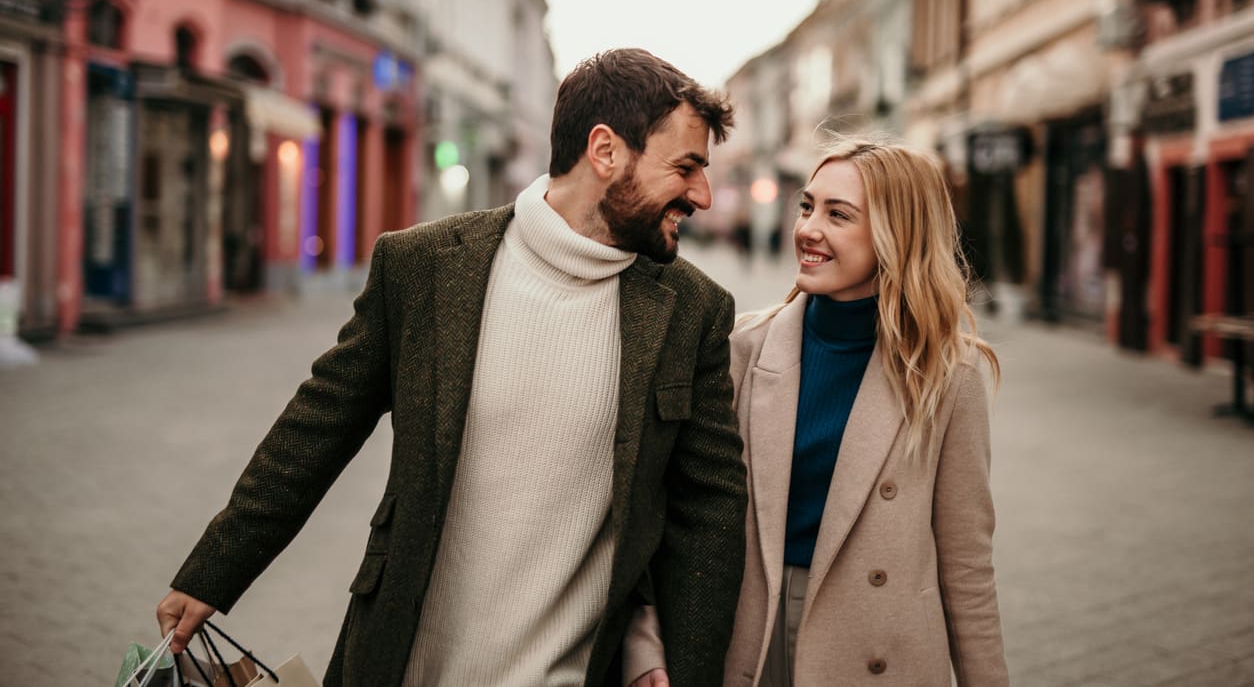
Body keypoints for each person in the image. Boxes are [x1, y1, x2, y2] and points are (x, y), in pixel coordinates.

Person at [157, 48, 749, 687]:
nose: (703, 196)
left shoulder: (693, 313)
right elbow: (317, 427)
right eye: (686, 168)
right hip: (403, 664)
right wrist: (214, 571)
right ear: (605, 152)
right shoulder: (426, 267)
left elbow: (708, 511)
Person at [626, 135, 1008, 686]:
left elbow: (967, 563)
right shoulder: (739, 349)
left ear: (895, 236)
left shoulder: (949, 374)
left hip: (883, 652)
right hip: (752, 637)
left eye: (838, 214)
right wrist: (646, 648)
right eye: (807, 206)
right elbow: (666, 516)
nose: (807, 229)